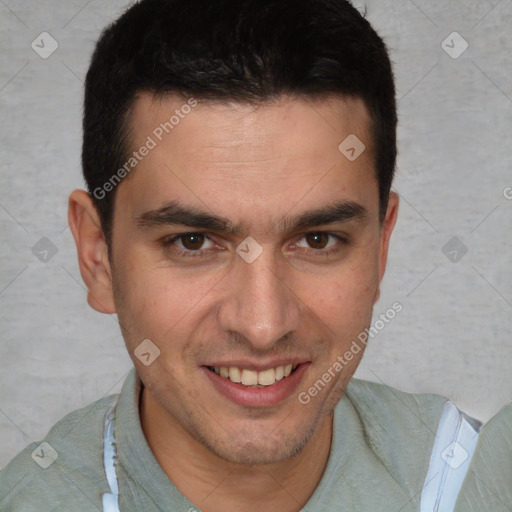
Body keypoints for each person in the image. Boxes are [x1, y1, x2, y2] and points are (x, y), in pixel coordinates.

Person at [0, 0, 508, 510]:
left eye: (318, 239)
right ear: (98, 257)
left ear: (380, 247)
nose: (263, 326)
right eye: (193, 242)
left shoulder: (477, 481)